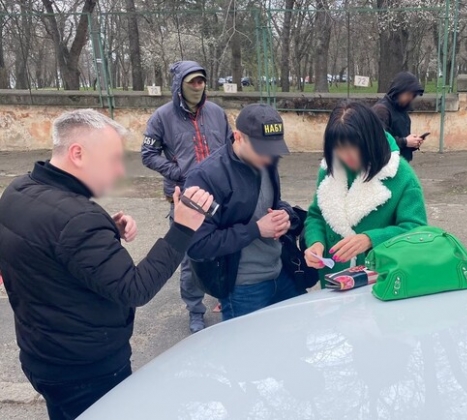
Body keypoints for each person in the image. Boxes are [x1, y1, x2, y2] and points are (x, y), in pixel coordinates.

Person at [0, 109, 213, 420]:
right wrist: (182, 229)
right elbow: (135, 289)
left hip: (41, 356)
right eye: (112, 159)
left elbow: (44, 248)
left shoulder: (18, 190)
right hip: (86, 370)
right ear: (77, 153)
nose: (118, 171)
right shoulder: (77, 220)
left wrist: (105, 232)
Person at [186, 103, 301, 320]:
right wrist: (255, 230)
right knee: (247, 343)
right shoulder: (205, 177)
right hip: (243, 287)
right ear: (238, 137)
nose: (268, 159)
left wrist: (285, 214)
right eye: (261, 150)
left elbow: (271, 202)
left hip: (280, 271)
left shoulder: (267, 162)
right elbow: (197, 245)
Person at [141, 60, 232, 333]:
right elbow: (148, 154)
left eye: (201, 81)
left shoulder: (216, 113)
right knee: (191, 259)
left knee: (225, 249)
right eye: (192, 81)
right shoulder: (162, 117)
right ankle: (195, 309)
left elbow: (230, 147)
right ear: (179, 85)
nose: (197, 86)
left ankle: (224, 296)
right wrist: (178, 172)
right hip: (185, 199)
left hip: (219, 195)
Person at [303, 102, 428, 284]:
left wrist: (371, 239)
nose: (346, 156)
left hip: (382, 281)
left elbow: (417, 231)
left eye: (354, 147)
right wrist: (315, 242)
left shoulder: (402, 176)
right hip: (334, 282)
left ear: (371, 140)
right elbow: (316, 215)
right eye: (339, 148)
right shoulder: (329, 169)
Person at [372, 71, 425, 162]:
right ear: (398, 92)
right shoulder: (381, 110)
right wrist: (405, 142)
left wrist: (413, 143)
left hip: (400, 163)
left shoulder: (401, 109)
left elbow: (401, 138)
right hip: (386, 165)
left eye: (413, 96)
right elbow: (378, 141)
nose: (411, 98)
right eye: (408, 94)